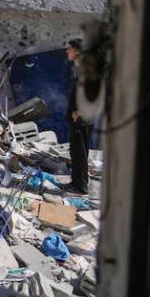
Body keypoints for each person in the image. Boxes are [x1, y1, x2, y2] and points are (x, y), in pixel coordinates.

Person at [62, 38, 91, 195]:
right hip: (77, 118)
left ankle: (81, 187)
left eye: (70, 49)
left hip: (82, 119)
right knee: (76, 151)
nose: (67, 51)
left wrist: (79, 112)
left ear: (77, 51)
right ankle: (76, 182)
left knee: (80, 153)